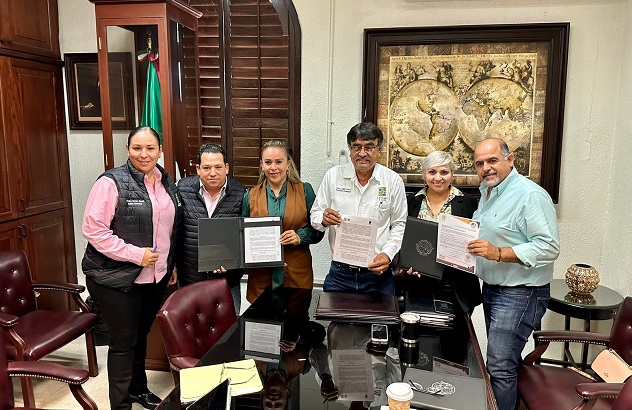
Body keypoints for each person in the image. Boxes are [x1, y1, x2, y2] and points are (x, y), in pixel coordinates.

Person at [81, 126, 182, 410]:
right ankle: (121, 405)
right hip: (114, 278)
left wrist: (169, 263)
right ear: (127, 149)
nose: (144, 154)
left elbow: (168, 229)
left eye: (150, 148)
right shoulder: (110, 182)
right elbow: (94, 230)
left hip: (155, 276)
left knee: (140, 335)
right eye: (137, 148)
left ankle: (138, 389)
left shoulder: (165, 181)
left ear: (160, 150)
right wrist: (136, 255)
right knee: (123, 342)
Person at [466, 138, 560, 410]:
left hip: (521, 293)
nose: (486, 168)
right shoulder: (488, 191)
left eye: (492, 160)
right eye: (479, 163)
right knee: (505, 362)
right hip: (493, 289)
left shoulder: (530, 195)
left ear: (510, 160)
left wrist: (498, 253)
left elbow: (549, 247)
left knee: (499, 365)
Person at [310, 122, 407, 295]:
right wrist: (323, 219)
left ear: (379, 150)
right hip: (340, 274)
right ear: (350, 150)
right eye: (356, 147)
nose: (362, 153)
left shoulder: (392, 180)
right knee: (332, 314)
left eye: (369, 147)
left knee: (382, 314)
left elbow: (399, 225)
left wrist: (387, 254)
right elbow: (315, 215)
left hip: (378, 275)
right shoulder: (333, 176)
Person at [403, 150, 482, 365]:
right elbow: (404, 238)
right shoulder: (411, 201)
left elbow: (477, 238)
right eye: (432, 172)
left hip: (456, 287)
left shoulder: (468, 202)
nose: (438, 177)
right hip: (418, 284)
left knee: (454, 351)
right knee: (418, 349)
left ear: (452, 174)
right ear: (424, 174)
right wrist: (406, 264)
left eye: (444, 172)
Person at [242, 139, 323, 302]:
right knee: (262, 318)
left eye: (278, 162)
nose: (273, 167)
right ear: (262, 165)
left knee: (297, 317)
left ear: (288, 164)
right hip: (262, 278)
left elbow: (318, 230)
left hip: (296, 276)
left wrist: (300, 236)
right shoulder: (250, 196)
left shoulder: (305, 191)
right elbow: (242, 235)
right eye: (268, 162)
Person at [176, 143, 246, 313]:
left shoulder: (241, 193)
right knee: (189, 328)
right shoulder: (181, 189)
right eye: (206, 167)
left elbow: (244, 237)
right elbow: (174, 230)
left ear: (226, 168)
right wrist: (172, 266)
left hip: (226, 283)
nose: (212, 173)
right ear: (198, 169)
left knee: (229, 328)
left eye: (218, 167)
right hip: (190, 281)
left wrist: (233, 262)